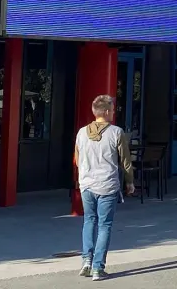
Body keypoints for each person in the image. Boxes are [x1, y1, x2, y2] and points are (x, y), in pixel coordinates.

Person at [75, 94, 135, 281]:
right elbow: (125, 161)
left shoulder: (81, 133)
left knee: (88, 221)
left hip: (86, 184)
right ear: (107, 111)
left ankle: (86, 260)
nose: (114, 112)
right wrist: (130, 181)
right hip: (107, 185)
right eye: (113, 109)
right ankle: (98, 267)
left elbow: (77, 159)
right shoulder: (116, 132)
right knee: (105, 225)